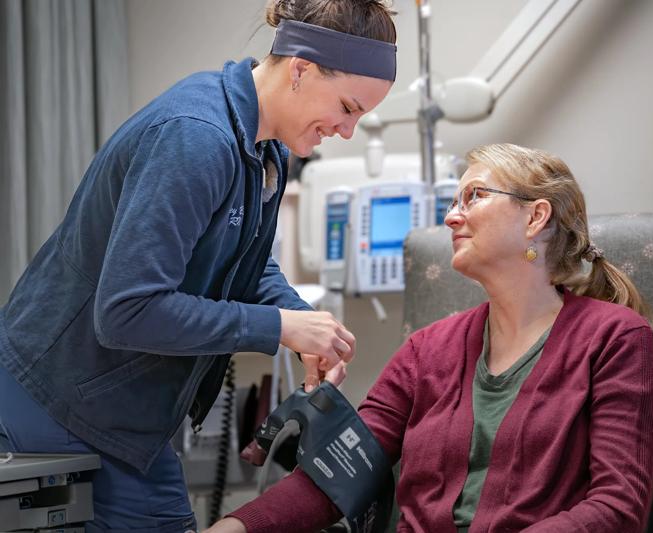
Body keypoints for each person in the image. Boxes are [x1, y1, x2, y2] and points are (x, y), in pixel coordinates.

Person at [0, 0, 396, 530]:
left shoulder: (264, 146)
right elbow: (127, 310)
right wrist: (277, 326)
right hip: (57, 401)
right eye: (347, 108)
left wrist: (304, 325)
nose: (347, 130)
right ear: (300, 68)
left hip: (125, 411)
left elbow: (247, 264)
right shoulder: (196, 137)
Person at [208, 143, 653, 533]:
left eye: (474, 196)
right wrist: (237, 525)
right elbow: (345, 472)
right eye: (453, 201)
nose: (451, 217)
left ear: (535, 217)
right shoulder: (428, 350)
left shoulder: (613, 338)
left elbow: (617, 508)